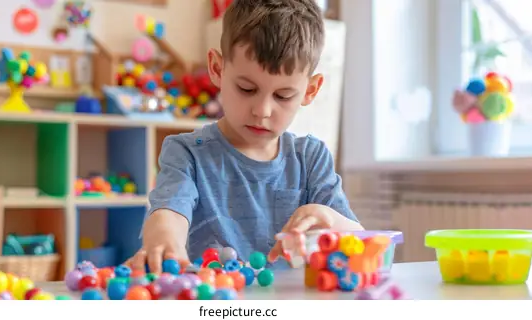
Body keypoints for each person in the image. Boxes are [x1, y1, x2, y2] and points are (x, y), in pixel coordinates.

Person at [126, 0, 364, 274]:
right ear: (217, 68)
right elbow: (170, 213)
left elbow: (363, 240)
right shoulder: (187, 154)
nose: (262, 111)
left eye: (283, 96)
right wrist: (164, 242)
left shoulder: (310, 159)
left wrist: (330, 218)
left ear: (310, 91)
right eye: (246, 88)